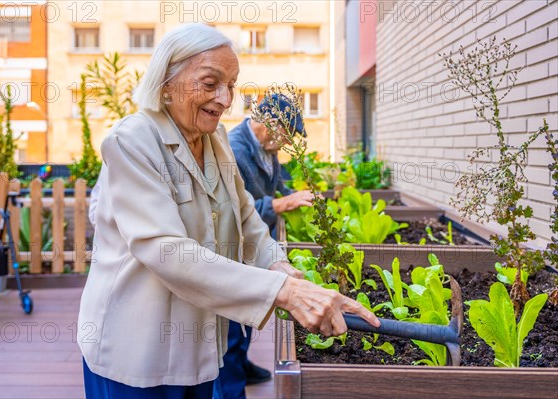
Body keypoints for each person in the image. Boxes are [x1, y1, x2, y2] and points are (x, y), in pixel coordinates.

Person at [77, 23, 379, 399]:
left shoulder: (214, 137)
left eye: (232, 85)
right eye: (210, 83)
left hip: (201, 345)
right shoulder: (131, 141)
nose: (225, 98)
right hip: (138, 351)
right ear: (166, 82)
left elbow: (246, 217)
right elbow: (166, 250)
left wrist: (280, 267)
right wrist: (284, 292)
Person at [213, 96, 313, 399]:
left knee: (247, 314)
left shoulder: (267, 149)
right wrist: (282, 203)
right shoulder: (234, 149)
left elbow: (278, 183)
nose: (288, 142)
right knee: (229, 323)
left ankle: (242, 364)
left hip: (254, 246)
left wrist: (297, 194)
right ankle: (229, 388)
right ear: (270, 126)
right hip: (230, 247)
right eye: (288, 134)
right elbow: (232, 210)